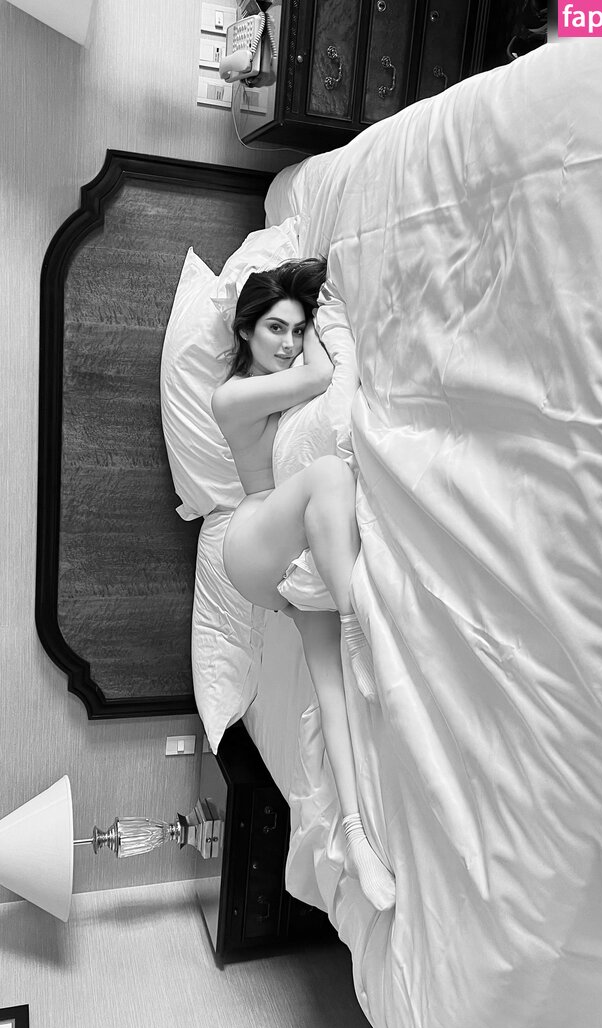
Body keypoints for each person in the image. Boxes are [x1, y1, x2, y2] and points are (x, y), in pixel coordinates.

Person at [211, 258, 396, 911]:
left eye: (296, 330)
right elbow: (320, 374)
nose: (288, 344)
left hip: (293, 548)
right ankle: (356, 623)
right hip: (252, 544)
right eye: (274, 329)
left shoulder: (282, 386)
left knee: (334, 688)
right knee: (328, 476)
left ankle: (358, 836)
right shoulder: (231, 396)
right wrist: (314, 314)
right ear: (245, 330)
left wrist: (306, 312)